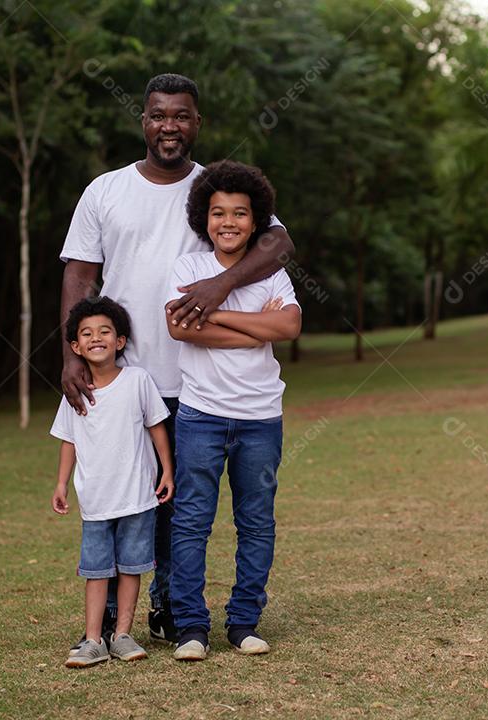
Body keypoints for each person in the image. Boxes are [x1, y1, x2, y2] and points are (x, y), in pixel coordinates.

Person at [59, 73, 295, 642]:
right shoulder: (105, 190)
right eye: (160, 114)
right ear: (143, 120)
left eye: (182, 115)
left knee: (175, 506)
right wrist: (69, 354)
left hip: (199, 383)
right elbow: (81, 273)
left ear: (197, 123)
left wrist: (219, 289)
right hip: (123, 375)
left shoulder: (212, 190)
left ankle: (168, 613)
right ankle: (111, 620)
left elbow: (279, 243)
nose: (171, 125)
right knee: (121, 496)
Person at [166, 160, 301, 661]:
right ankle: (191, 629)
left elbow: (288, 329)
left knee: (256, 522)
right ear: (204, 217)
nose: (229, 222)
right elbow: (180, 329)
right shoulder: (189, 268)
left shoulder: (273, 272)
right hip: (200, 415)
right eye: (218, 212)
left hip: (261, 417)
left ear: (257, 218)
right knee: (191, 521)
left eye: (240, 213)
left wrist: (214, 312)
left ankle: (243, 623)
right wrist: (253, 327)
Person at [50, 297, 175, 668]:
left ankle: (122, 634)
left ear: (120, 341)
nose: (96, 338)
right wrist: (61, 484)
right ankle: (93, 640)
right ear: (76, 347)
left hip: (138, 497)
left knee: (133, 567)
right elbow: (68, 440)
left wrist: (167, 469)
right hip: (95, 502)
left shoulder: (137, 381)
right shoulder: (74, 392)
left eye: (105, 331)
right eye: (86, 334)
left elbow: (156, 427)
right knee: (96, 571)